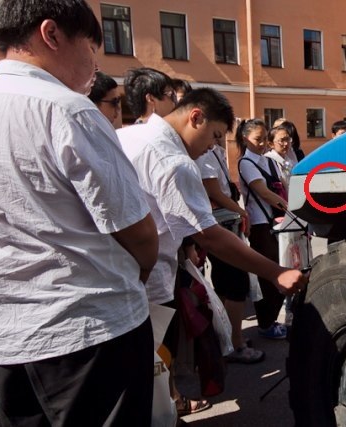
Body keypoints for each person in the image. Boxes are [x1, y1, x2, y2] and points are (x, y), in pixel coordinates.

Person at [0, 1, 159, 426]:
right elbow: (137, 230)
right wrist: (139, 272)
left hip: (10, 340)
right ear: (51, 34)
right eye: (91, 46)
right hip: (91, 332)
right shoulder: (67, 108)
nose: (94, 64)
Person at [117, 90, 306, 387]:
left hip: (118, 275)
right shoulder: (174, 161)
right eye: (214, 136)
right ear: (196, 117)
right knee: (153, 369)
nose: (211, 148)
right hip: (146, 283)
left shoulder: (127, 136)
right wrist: (275, 272)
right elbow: (211, 237)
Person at [195, 141, 264, 363]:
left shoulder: (216, 150)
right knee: (236, 285)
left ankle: (226, 339)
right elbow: (214, 192)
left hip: (224, 222)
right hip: (220, 225)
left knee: (225, 285)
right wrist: (242, 212)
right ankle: (236, 344)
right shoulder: (204, 152)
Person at [236, 118, 291, 340]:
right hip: (260, 224)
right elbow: (264, 192)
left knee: (280, 270)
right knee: (267, 277)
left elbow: (280, 187)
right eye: (257, 139)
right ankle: (266, 324)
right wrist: (289, 208)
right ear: (245, 138)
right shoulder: (246, 163)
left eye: (262, 138)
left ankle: (272, 319)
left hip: (277, 222)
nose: (261, 143)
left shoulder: (267, 161)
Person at [266, 123, 298, 193]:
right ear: (271, 144)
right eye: (282, 140)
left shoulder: (289, 160)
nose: (286, 143)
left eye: (287, 139)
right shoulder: (268, 160)